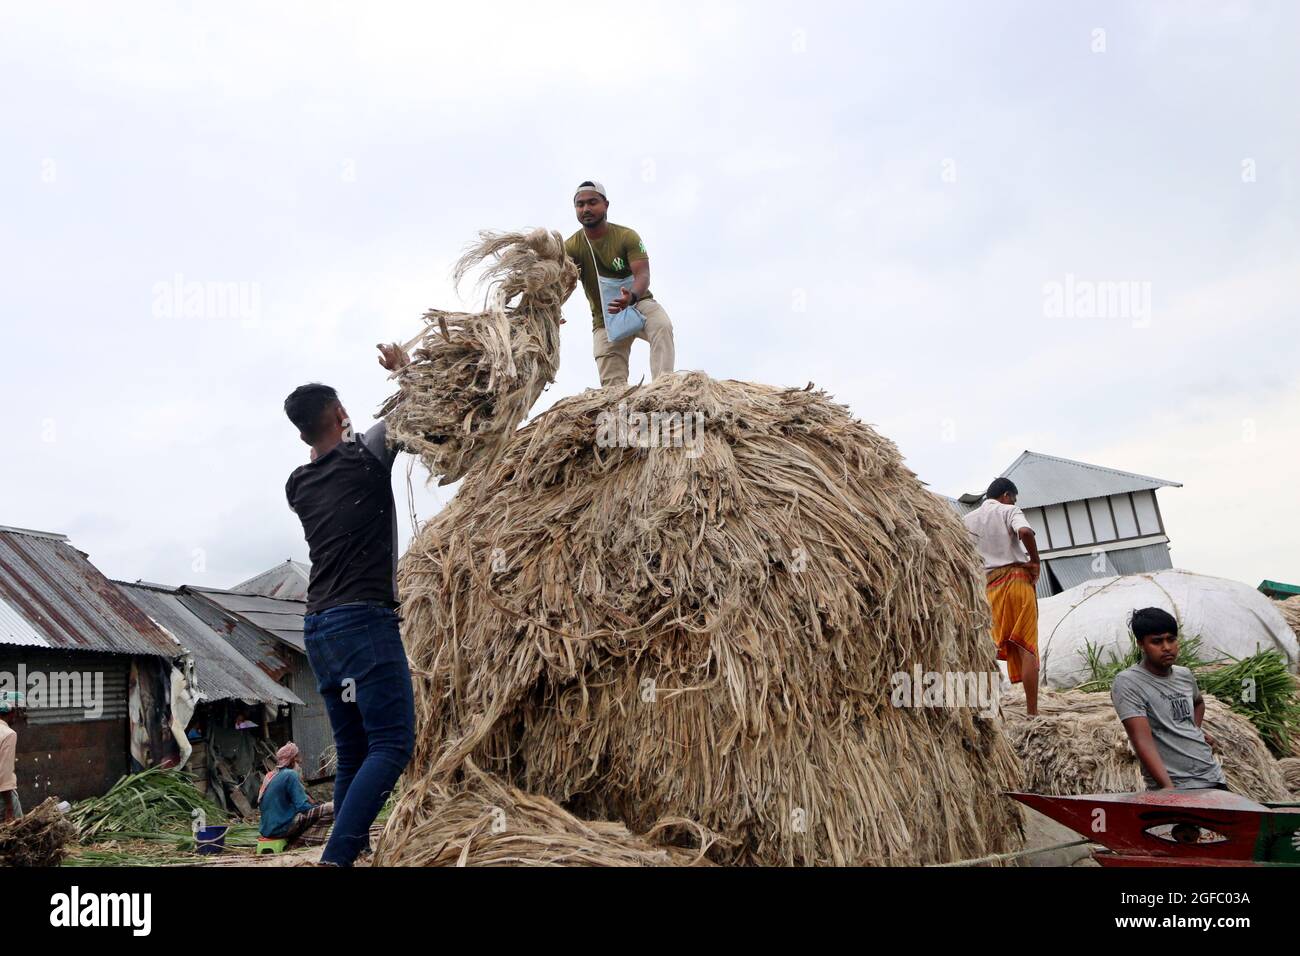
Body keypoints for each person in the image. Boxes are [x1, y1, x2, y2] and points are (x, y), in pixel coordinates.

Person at [282, 343, 416, 866]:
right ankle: (336, 859)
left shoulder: (297, 484)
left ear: (300, 434)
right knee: (392, 744)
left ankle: (351, 851)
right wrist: (404, 370)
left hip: (318, 628)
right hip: (363, 621)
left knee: (356, 751)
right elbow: (419, 407)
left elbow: (326, 452)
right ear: (341, 415)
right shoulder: (367, 455)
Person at [564, 180, 676, 387]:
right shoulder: (571, 247)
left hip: (638, 303)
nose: (586, 209)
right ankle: (620, 412)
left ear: (606, 205)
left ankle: (664, 388)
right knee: (612, 390)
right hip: (604, 319)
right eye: (580, 205)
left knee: (662, 325)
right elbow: (561, 283)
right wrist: (555, 309)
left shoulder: (626, 236)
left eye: (592, 202)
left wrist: (631, 297)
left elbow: (643, 274)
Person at [1111, 607, 1226, 792]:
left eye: (1171, 639)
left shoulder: (1184, 675)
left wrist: (1194, 730)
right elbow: (1141, 740)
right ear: (1141, 644)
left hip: (1211, 775)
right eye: (1156, 642)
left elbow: (1198, 703)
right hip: (1178, 784)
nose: (1166, 647)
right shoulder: (1128, 682)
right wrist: (1167, 787)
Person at [962, 477, 1042, 715]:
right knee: (1027, 646)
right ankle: (1032, 713)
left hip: (988, 588)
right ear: (1006, 495)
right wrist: (1035, 561)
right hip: (1017, 581)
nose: (1014, 501)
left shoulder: (967, 520)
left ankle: (986, 706)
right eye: (1013, 498)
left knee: (986, 646)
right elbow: (1025, 531)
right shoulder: (1009, 510)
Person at [257, 742, 333, 844]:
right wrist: (317, 807)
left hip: (266, 830)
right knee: (331, 808)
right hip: (281, 828)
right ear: (292, 759)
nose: (300, 761)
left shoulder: (270, 776)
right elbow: (302, 806)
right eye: (297, 757)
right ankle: (305, 841)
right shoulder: (290, 774)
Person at [0, 693, 23, 822]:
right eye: (17, 710)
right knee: (17, 836)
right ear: (10, 710)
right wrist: (9, 807)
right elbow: (4, 773)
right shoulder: (8, 734)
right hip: (3, 796)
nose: (17, 715)